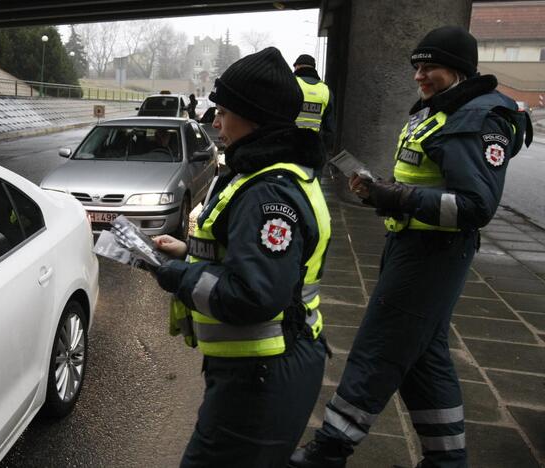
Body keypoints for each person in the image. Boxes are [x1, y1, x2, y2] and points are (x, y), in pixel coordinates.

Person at [290, 26, 532, 468]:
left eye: (430, 68)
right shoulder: (439, 110)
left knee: (378, 347)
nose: (420, 77)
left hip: (432, 257)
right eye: (417, 68)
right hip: (411, 246)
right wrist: (383, 190)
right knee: (426, 359)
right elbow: (426, 182)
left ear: (458, 69)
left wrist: (394, 197)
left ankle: (328, 450)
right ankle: (446, 460)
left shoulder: (476, 119)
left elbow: (475, 207)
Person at [150, 47, 332, 467]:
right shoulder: (264, 173)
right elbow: (246, 259)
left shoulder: (266, 192)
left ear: (255, 118)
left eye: (224, 111)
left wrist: (180, 275)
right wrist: (188, 252)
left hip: (262, 377)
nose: (215, 121)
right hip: (262, 369)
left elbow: (254, 295)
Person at [293, 54, 336, 153]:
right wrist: (325, 151)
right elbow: (329, 128)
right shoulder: (326, 90)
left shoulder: (290, 84)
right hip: (314, 147)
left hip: (290, 145)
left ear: (298, 66)